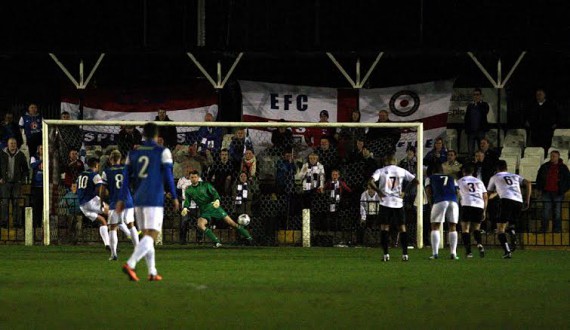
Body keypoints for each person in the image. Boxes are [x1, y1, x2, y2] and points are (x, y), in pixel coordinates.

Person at [121, 123, 179, 282]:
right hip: (154, 198)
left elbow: (125, 177)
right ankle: (131, 263)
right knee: (152, 235)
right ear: (157, 135)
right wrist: (174, 196)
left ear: (143, 135)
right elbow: (168, 175)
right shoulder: (163, 151)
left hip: (138, 198)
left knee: (146, 236)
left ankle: (152, 272)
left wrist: (121, 198)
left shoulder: (132, 152)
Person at [182, 170, 253, 247]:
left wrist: (217, 200)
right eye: (192, 177)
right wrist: (185, 208)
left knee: (232, 223)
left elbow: (215, 193)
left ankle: (249, 238)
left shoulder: (205, 185)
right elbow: (187, 200)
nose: (194, 179)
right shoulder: (188, 190)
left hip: (214, 207)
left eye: (195, 177)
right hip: (204, 210)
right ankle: (217, 242)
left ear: (198, 177)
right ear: (189, 178)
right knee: (200, 224)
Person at [369, 155, 417, 262]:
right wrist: (405, 191)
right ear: (395, 161)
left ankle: (386, 254)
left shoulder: (381, 170)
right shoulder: (402, 170)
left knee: (384, 228)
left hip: (385, 202)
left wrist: (379, 191)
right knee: (402, 228)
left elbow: (370, 181)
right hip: (398, 203)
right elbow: (416, 181)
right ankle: (405, 254)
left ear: (386, 161)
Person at [487, 160, 532, 258]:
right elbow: (528, 183)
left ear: (497, 168)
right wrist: (527, 200)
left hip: (506, 201)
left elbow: (488, 194)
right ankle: (512, 231)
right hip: (518, 201)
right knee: (510, 223)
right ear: (506, 167)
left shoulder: (495, 177)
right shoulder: (515, 176)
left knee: (500, 229)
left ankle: (507, 251)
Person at [102, 150, 140, 260]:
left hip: (114, 202)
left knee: (112, 228)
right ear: (120, 159)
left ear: (110, 159)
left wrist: (101, 202)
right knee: (131, 225)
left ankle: (113, 254)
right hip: (128, 201)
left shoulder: (106, 172)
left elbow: (102, 189)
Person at [425, 162, 460, 260]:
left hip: (440, 201)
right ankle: (453, 253)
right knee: (453, 226)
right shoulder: (451, 178)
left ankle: (435, 253)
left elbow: (428, 191)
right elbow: (457, 191)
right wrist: (456, 201)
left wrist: (431, 203)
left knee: (435, 226)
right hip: (453, 201)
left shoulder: (430, 178)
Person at [77, 158, 111, 252]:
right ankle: (129, 233)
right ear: (96, 165)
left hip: (82, 205)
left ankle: (107, 244)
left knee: (102, 220)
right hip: (91, 201)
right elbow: (101, 189)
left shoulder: (81, 175)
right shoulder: (95, 175)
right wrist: (101, 202)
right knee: (112, 213)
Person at [457, 164, 488, 258]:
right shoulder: (479, 181)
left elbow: (457, 192)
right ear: (472, 172)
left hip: (467, 204)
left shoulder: (460, 181)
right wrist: (484, 210)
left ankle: (469, 252)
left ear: (463, 172)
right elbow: (485, 196)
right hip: (479, 205)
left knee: (465, 229)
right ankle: (479, 244)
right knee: (476, 228)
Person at [535, 150, 570, 233]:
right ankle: (544, 229)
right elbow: (539, 178)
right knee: (545, 211)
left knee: (557, 212)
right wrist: (539, 189)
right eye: (551, 156)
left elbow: (568, 180)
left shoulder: (563, 168)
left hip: (558, 192)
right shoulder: (544, 166)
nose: (552, 158)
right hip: (546, 192)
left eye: (554, 156)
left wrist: (563, 190)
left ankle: (557, 230)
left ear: (558, 157)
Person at [0, 138, 29, 228]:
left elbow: (25, 170)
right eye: (11, 143)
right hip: (5, 182)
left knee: (16, 202)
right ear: (7, 144)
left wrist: (22, 179)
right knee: (5, 202)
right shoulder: (2, 154)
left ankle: (17, 223)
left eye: (14, 143)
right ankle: (4, 223)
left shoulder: (20, 155)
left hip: (16, 183)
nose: (13, 145)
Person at [525, 88, 559, 154]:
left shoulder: (551, 105)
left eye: (540, 94)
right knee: (536, 147)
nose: (538, 96)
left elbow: (557, 115)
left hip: (547, 130)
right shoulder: (532, 105)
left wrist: (555, 123)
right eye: (537, 94)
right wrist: (528, 122)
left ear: (544, 95)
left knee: (546, 146)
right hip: (535, 130)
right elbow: (527, 115)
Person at [464, 88, 490, 156]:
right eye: (474, 95)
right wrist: (467, 129)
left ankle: (481, 162)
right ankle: (471, 163)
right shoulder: (470, 106)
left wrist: (478, 103)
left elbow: (485, 112)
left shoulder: (484, 104)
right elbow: (466, 118)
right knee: (470, 150)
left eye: (477, 94)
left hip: (480, 131)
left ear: (480, 95)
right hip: (471, 131)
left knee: (481, 149)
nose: (476, 96)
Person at [30, 145, 44, 231]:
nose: (42, 150)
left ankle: (42, 223)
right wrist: (42, 160)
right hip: (36, 186)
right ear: (38, 149)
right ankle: (36, 224)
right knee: (36, 206)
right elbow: (32, 165)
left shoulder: (48, 156)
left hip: (45, 186)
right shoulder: (34, 157)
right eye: (41, 148)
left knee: (44, 206)